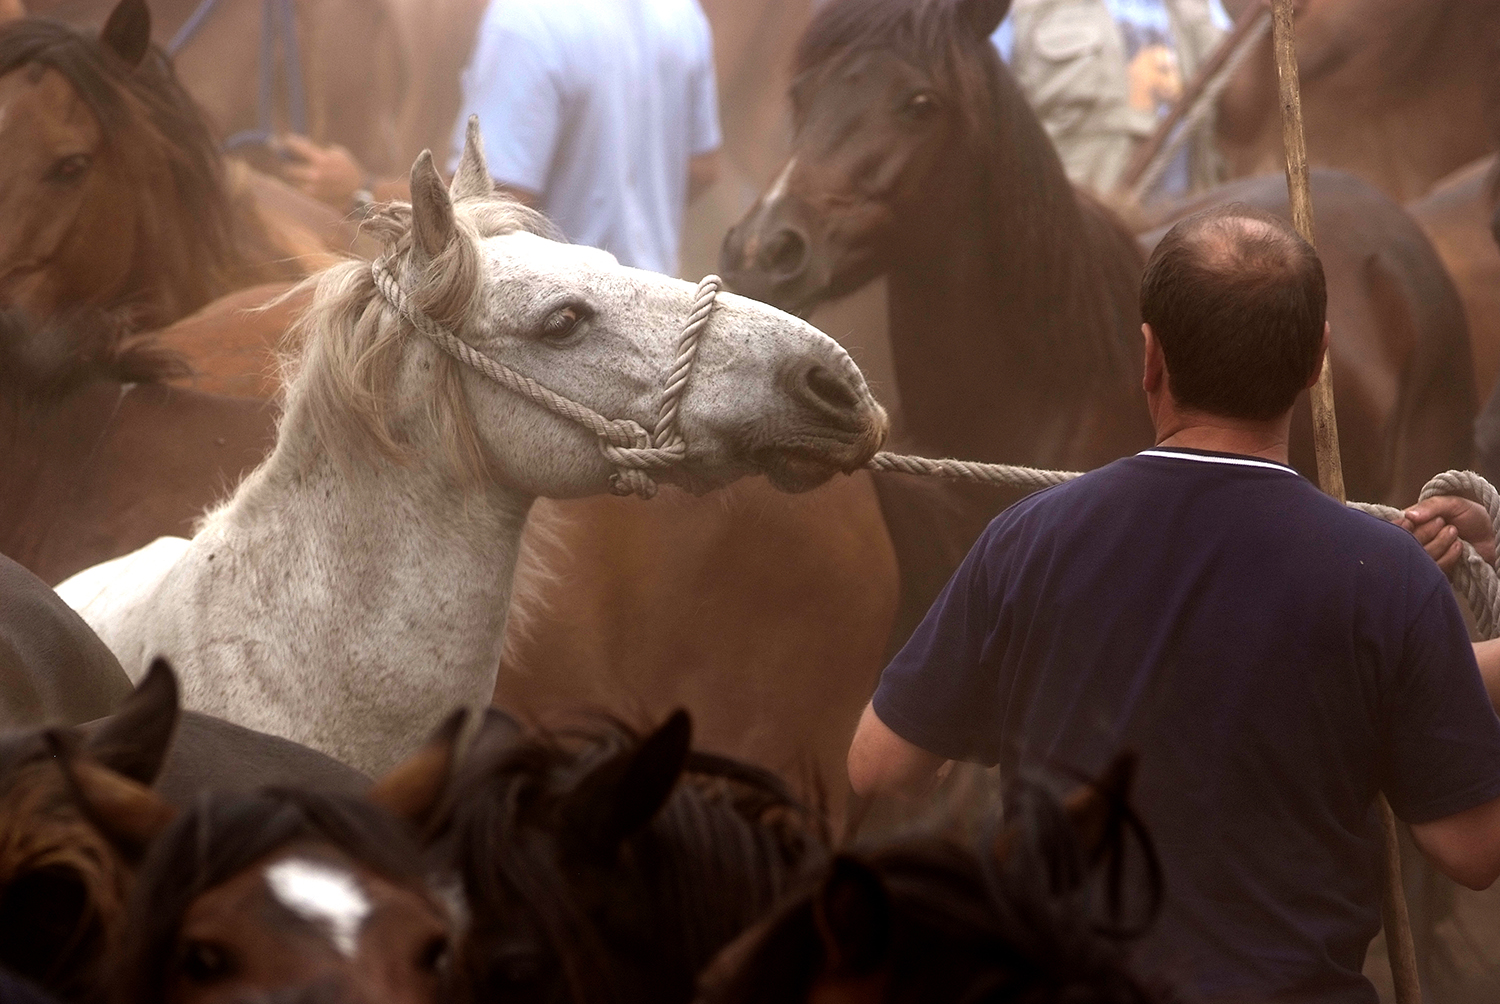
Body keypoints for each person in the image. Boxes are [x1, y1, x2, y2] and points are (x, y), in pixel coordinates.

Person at [848, 204, 1500, 1004]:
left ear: (1149, 357)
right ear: (1316, 362)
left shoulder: (1029, 540)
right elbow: (1472, 849)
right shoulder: (1391, 578)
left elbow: (877, 767)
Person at [277, 0, 723, 279]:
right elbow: (703, 167)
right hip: (659, 297)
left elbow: (490, 204)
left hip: (564, 327)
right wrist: (621, 194)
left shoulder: (525, 21)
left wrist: (358, 190)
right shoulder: (680, 11)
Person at [992, 0, 1228, 198]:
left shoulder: (1197, 7)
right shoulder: (1015, 9)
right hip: (1082, 234)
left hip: (1186, 231)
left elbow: (1241, 117)